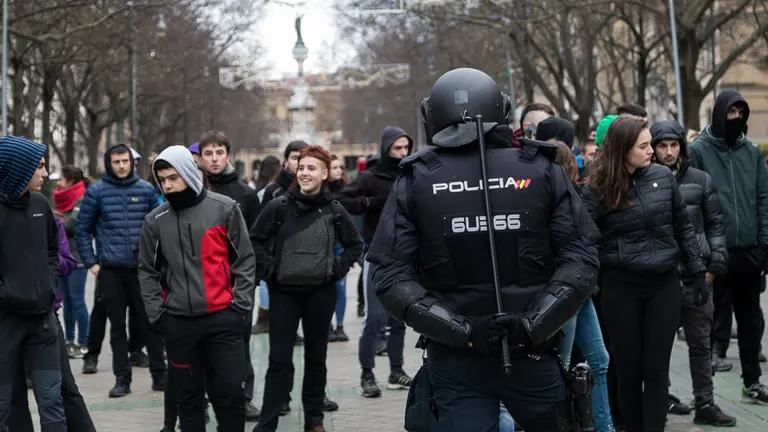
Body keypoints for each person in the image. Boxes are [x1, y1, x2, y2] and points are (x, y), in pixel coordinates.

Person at [368, 68, 600, 431]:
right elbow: (582, 261)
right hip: (531, 351)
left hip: (458, 358)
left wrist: (465, 331)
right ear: (501, 109)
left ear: (432, 115)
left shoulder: (416, 178)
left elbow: (390, 278)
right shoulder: (541, 168)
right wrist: (530, 325)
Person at [581, 116, 707, 432]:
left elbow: (683, 226)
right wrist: (590, 283)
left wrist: (696, 271)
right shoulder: (597, 188)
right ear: (623, 149)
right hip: (620, 288)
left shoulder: (663, 178)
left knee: (656, 370)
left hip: (663, 285)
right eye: (644, 146)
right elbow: (584, 240)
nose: (652, 150)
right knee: (628, 370)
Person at [138, 145, 256, 432]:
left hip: (223, 320)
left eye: (173, 178)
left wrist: (240, 306)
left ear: (189, 174)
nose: (167, 185)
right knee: (188, 401)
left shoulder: (224, 209)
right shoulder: (155, 221)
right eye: (162, 180)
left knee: (230, 397)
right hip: (179, 325)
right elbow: (147, 271)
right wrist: (159, 316)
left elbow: (244, 259)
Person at [250, 146, 363, 432]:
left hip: (320, 294)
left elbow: (355, 245)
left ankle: (314, 420)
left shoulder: (334, 210)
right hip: (284, 294)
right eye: (301, 168)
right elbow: (255, 241)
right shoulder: (278, 206)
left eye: (311, 168)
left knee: (316, 359)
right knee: (278, 361)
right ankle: (267, 424)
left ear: (324, 174)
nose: (304, 173)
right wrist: (271, 271)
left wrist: (334, 270)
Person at [650, 119, 736, 426]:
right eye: (662, 145)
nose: (669, 152)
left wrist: (715, 265)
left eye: (674, 145)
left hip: (696, 277)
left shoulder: (700, 180)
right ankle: (660, 401)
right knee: (658, 348)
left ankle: (705, 403)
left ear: (682, 147)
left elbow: (715, 225)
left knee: (701, 345)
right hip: (660, 279)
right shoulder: (645, 181)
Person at [688, 89, 768, 403]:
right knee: (706, 325)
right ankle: (704, 394)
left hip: (748, 252)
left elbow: (763, 200)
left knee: (750, 323)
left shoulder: (752, 153)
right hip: (714, 254)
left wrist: (763, 245)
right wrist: (702, 250)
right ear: (719, 114)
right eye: (730, 112)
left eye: (740, 113)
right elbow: (691, 203)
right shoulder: (699, 151)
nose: (736, 118)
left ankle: (752, 382)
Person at [75, 143, 166, 397]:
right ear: (109, 163)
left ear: (132, 162)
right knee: (117, 327)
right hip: (111, 271)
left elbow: (160, 227)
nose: (122, 166)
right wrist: (91, 261)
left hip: (142, 269)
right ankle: (122, 379)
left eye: (125, 161)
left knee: (151, 323)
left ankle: (160, 376)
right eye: (116, 162)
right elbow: (82, 228)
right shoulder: (97, 192)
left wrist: (158, 261)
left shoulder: (146, 190)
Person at [8, 174, 97, 432]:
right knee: (13, 393)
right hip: (8, 318)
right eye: (39, 167)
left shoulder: (43, 210)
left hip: (45, 315)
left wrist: (40, 272)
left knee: (64, 388)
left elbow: (65, 260)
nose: (46, 174)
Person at [338, 125, 414, 398]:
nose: (402, 153)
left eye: (406, 147)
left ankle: (396, 371)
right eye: (397, 148)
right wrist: (370, 202)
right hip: (377, 254)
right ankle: (367, 374)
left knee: (399, 318)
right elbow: (342, 198)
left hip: (404, 255)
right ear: (386, 148)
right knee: (375, 318)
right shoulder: (370, 177)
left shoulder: (411, 173)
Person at [0, 136, 66, 431]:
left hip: (43, 322)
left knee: (52, 403)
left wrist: (48, 283)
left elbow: (53, 249)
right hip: (5, 323)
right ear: (18, 169)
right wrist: (9, 294)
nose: (45, 172)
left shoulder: (40, 203)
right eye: (38, 166)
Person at [197, 130, 263, 420]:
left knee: (239, 341)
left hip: (237, 281)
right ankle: (201, 399)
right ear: (200, 157)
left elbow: (257, 240)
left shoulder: (245, 194)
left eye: (219, 153)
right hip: (202, 280)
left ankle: (242, 397)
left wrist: (251, 279)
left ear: (228, 155)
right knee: (202, 342)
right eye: (208, 153)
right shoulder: (193, 190)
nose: (214, 159)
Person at [53, 165, 91, 359]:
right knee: (66, 302)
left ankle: (84, 342)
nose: (59, 183)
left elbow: (71, 225)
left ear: (71, 181)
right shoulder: (61, 199)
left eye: (61, 179)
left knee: (77, 301)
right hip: (62, 257)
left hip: (78, 258)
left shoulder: (82, 198)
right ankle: (69, 342)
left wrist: (55, 219)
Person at [327, 154, 353, 342]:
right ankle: (328, 325)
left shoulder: (348, 191)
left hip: (340, 245)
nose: (338, 171)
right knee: (326, 288)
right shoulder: (321, 193)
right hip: (325, 245)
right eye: (334, 167)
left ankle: (340, 325)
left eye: (340, 167)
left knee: (340, 287)